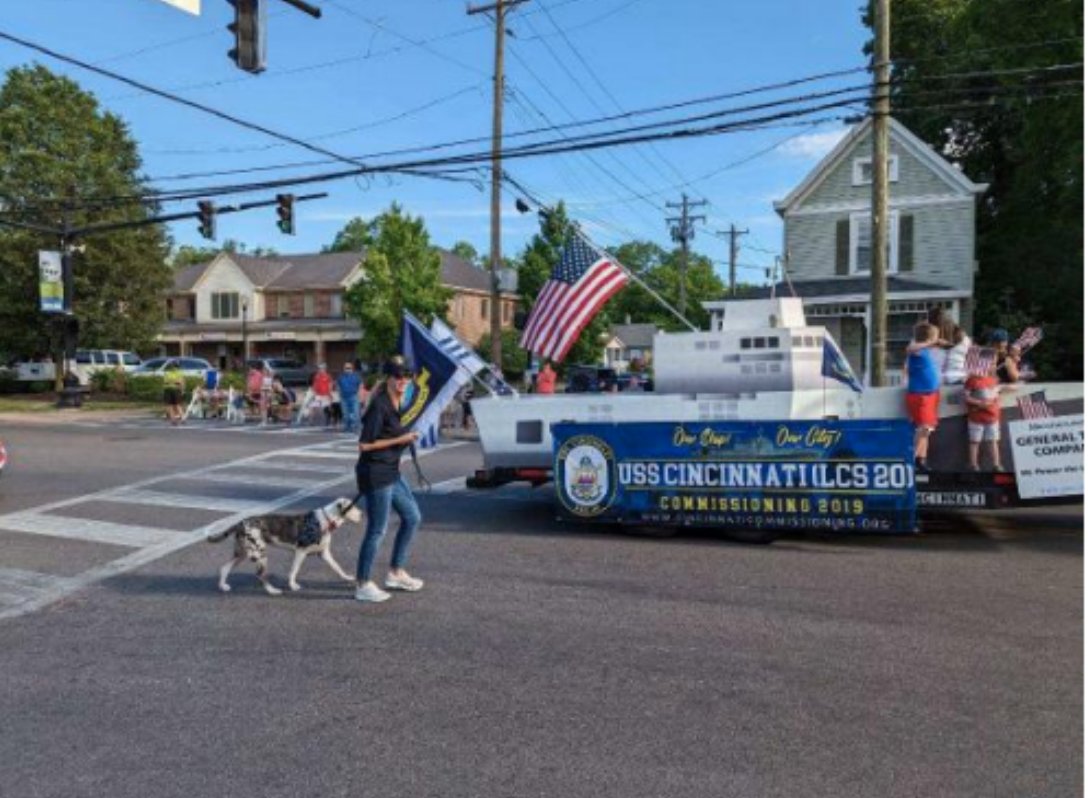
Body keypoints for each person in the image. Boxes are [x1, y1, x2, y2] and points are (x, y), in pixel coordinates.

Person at [354, 358, 424, 603]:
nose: (403, 379)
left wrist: (403, 438)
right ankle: (362, 583)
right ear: (389, 378)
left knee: (412, 517)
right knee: (377, 529)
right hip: (375, 473)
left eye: (407, 374)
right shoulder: (380, 405)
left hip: (391, 471)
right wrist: (400, 440)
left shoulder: (397, 402)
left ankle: (395, 572)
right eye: (398, 375)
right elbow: (364, 445)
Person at [904, 322, 942, 473]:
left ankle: (921, 460)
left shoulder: (925, 351)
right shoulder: (917, 348)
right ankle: (910, 459)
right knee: (924, 429)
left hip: (930, 395)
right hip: (921, 395)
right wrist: (931, 342)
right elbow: (909, 349)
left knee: (927, 429)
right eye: (935, 336)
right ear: (929, 337)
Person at [963, 352, 1005, 472]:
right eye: (991, 363)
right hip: (976, 417)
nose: (993, 366)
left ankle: (996, 465)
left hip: (992, 417)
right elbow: (966, 397)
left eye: (994, 363)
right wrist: (979, 403)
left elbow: (997, 394)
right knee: (974, 441)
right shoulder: (972, 380)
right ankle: (973, 465)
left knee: (993, 441)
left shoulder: (994, 379)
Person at [338, 361, 363, 432]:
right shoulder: (341, 377)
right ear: (343, 369)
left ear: (352, 368)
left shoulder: (356, 376)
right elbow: (338, 386)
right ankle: (347, 427)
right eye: (346, 368)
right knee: (345, 414)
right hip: (344, 397)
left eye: (349, 368)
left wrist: (360, 395)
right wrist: (339, 394)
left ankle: (356, 427)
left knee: (356, 413)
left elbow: (361, 385)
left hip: (354, 396)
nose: (347, 369)